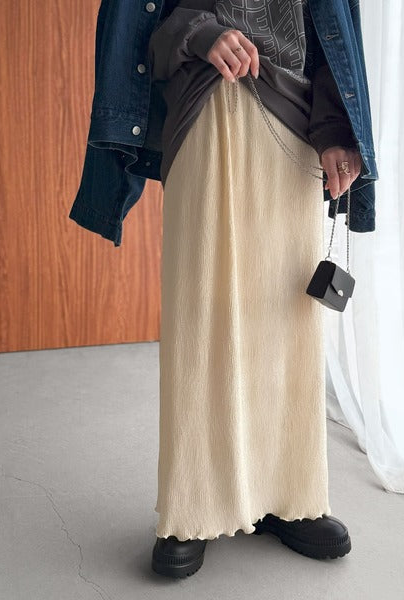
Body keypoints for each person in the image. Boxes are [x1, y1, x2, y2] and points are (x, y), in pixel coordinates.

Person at [149, 0, 365, 579]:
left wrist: (336, 129)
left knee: (287, 321)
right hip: (203, 111)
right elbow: (147, 23)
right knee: (200, 316)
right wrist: (201, 33)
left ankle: (290, 497)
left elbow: (331, 33)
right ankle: (192, 507)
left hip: (292, 124)